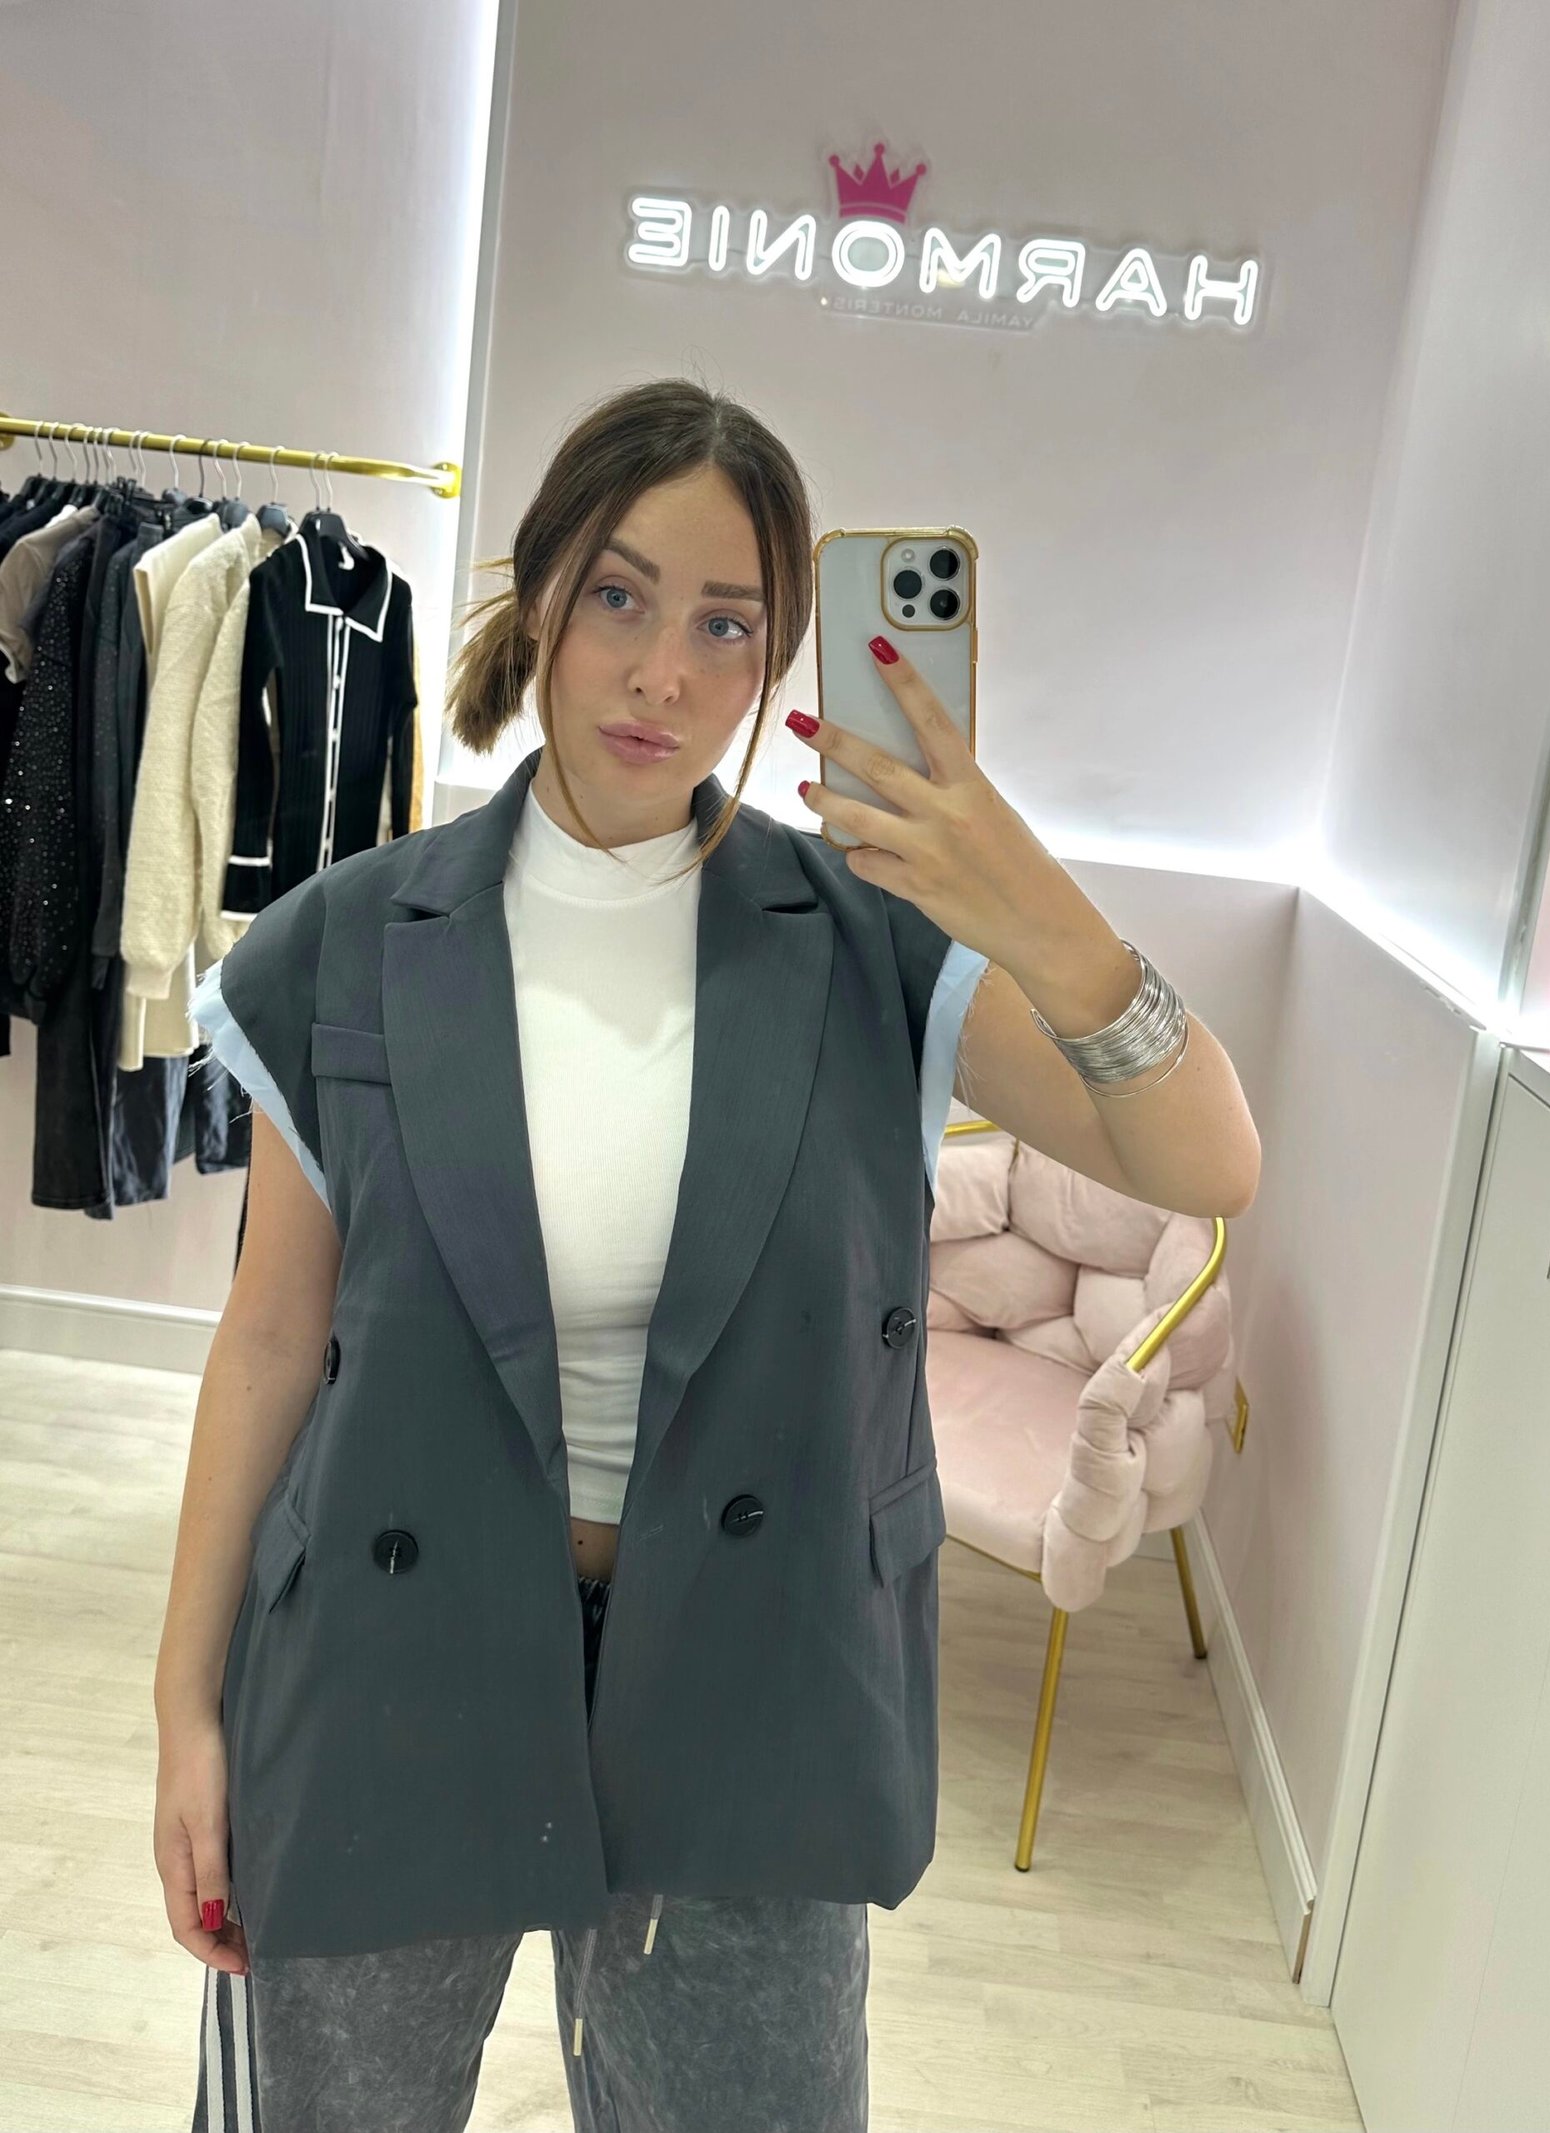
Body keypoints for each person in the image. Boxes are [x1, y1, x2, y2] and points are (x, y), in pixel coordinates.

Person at [154, 377, 989, 2132]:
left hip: (751, 1690)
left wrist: (997, 870)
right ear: (541, 593)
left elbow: (1209, 1150)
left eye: (725, 624)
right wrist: (184, 1710)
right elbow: (272, 1336)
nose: (661, 672)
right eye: (619, 594)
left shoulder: (874, 949)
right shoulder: (349, 940)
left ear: (774, 666)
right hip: (392, 1673)